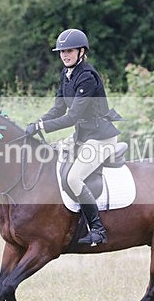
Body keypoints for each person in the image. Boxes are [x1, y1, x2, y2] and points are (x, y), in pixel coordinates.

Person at [26, 28, 122, 246]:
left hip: (101, 138)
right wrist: (36, 123)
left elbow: (72, 117)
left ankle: (97, 229)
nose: (65, 55)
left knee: (73, 178)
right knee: (49, 156)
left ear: (81, 52)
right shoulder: (66, 74)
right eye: (62, 51)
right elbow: (58, 108)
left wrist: (42, 126)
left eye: (69, 51)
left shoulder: (87, 77)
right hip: (82, 135)